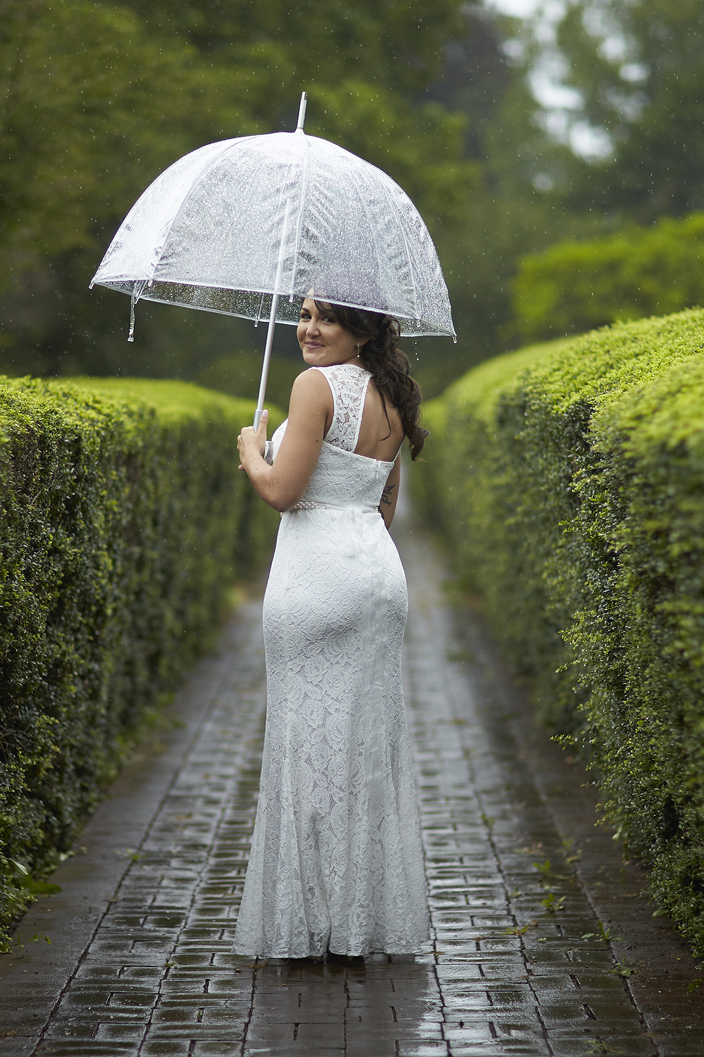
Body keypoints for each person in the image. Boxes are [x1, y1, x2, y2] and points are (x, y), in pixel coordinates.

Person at [231, 297, 431, 961]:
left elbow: (283, 492)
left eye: (327, 318)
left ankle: (311, 921)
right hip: (376, 573)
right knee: (363, 749)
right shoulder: (394, 392)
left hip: (315, 576)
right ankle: (355, 923)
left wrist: (254, 453)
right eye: (305, 314)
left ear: (361, 329)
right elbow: (386, 502)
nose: (309, 329)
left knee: (308, 748)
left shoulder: (313, 386)